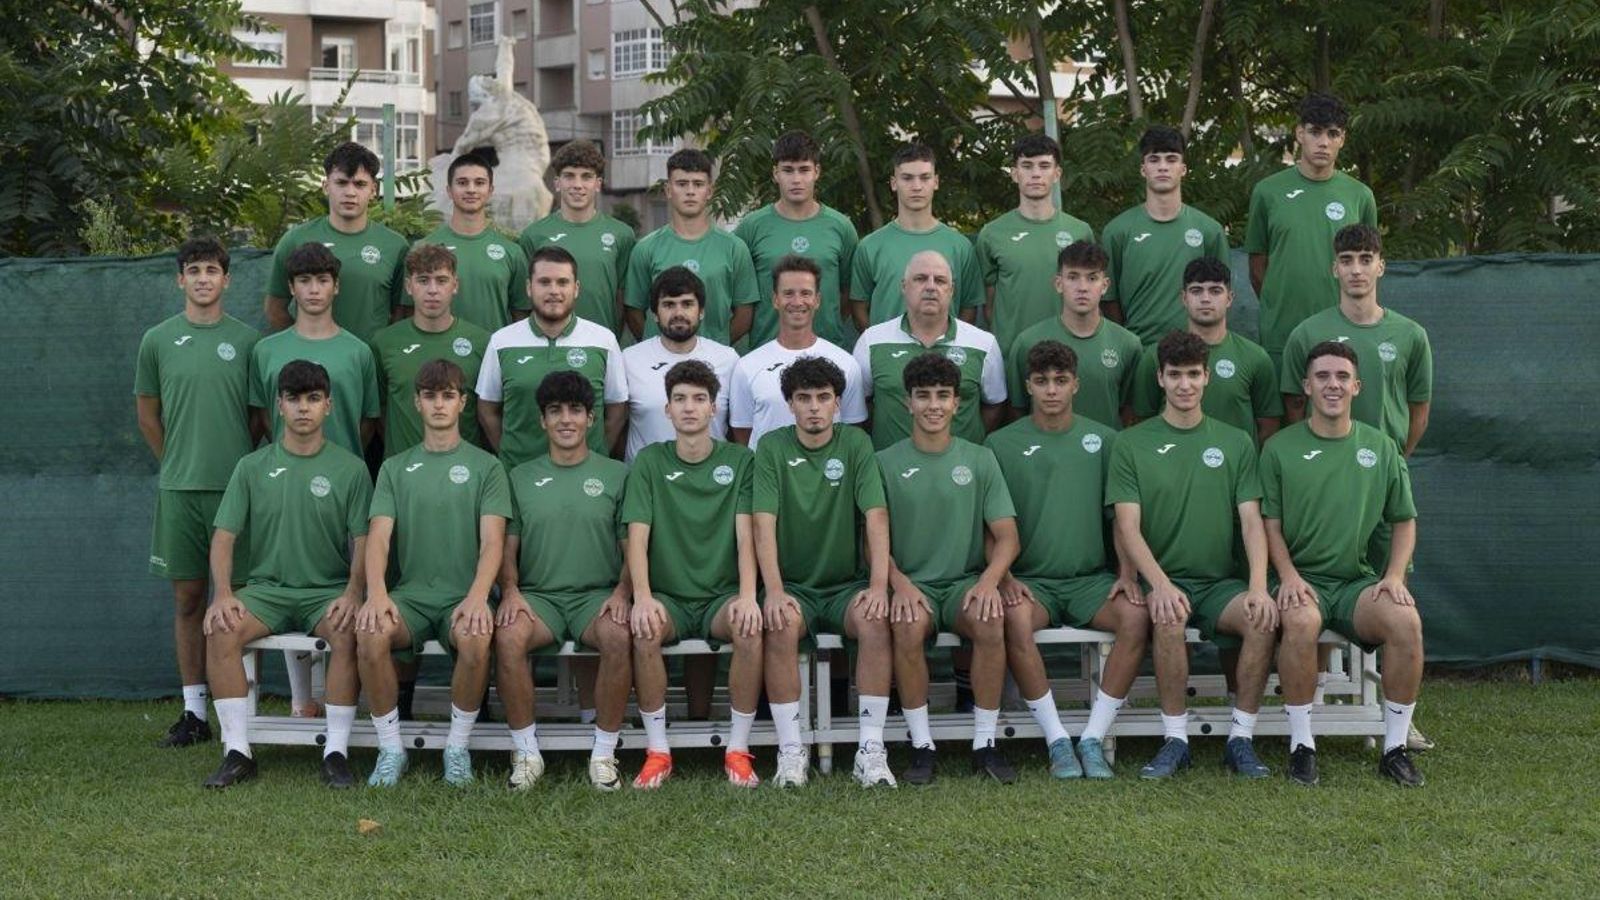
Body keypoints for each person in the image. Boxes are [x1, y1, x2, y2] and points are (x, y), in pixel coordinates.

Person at [1278, 224, 1436, 752]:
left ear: (1380, 266)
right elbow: (1292, 412)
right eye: (1347, 259)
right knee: (1313, 605)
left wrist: (1389, 460)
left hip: (1377, 479)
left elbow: (1418, 412)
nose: (1356, 269)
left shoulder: (1410, 334)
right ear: (1335, 269)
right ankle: (1314, 707)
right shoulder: (1307, 333)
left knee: (1392, 596)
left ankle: (1398, 720)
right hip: (1324, 483)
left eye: (1366, 258)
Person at [1106, 331, 1279, 780]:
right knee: (1167, 617)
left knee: (1262, 617)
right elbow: (1127, 526)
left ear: (1206, 379)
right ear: (1160, 379)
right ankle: (1175, 740)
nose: (1185, 384)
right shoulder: (1131, 444)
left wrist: (1259, 587)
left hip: (1220, 584)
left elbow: (1250, 521)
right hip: (1162, 579)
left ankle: (1241, 738)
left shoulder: (1237, 441)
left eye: (1194, 375)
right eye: (1175, 374)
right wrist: (1159, 585)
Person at [200, 360, 371, 788]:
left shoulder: (351, 468)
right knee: (221, 630)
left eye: (313, 398)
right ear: (278, 405)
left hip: (326, 591)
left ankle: (335, 753)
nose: (303, 408)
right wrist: (222, 594)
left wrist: (353, 592)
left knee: (348, 632)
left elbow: (364, 541)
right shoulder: (252, 467)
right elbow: (223, 537)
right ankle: (237, 751)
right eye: (293, 398)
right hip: (266, 592)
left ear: (328, 405)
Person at [1264, 341, 1427, 787]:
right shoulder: (1279, 448)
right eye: (1322, 377)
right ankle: (1302, 745)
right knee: (1299, 624)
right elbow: (1269, 525)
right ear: (1306, 385)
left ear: (1356, 386)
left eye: (1341, 377)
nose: (1332, 385)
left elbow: (1404, 521)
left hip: (1357, 584)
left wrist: (1393, 576)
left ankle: (1394, 748)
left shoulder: (1380, 447)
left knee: (1406, 622)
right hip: (1304, 582)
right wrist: (1289, 576)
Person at [986, 341, 1148, 779]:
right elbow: (989, 525)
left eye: (1060, 381)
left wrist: (1127, 573)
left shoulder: (1106, 439)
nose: (1052, 390)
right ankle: (1057, 739)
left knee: (1135, 618)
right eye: (1042, 382)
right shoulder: (1000, 443)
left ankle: (1092, 737)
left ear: (1076, 384)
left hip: (1091, 581)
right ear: (1028, 386)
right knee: (1014, 620)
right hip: (1031, 583)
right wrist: (1005, 578)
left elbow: (1120, 516)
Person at [356, 359, 512, 787]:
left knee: (477, 637)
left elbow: (493, 542)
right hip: (411, 596)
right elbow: (379, 538)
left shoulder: (487, 467)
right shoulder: (394, 467)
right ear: (417, 403)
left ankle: (456, 749)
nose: (439, 404)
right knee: (370, 634)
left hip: (464, 595)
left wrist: (480, 596)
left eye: (448, 395)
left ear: (463, 402)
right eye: (430, 396)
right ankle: (391, 750)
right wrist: (376, 593)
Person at [134, 236, 261, 748]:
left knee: (244, 603)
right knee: (189, 600)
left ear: (227, 279)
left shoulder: (251, 342)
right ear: (180, 279)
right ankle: (193, 713)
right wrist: (178, 464)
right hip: (180, 493)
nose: (204, 278)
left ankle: (247, 711)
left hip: (236, 496)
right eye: (194, 270)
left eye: (212, 269)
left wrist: (234, 468)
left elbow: (257, 418)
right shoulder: (157, 340)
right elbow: (147, 415)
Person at [876, 353, 1020, 784]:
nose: (933, 405)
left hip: (964, 583)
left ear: (958, 403)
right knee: (904, 625)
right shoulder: (884, 461)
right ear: (908, 403)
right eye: (924, 396)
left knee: (991, 619)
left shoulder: (979, 459)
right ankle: (922, 747)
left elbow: (1007, 536)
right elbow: (871, 541)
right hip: (911, 585)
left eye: (943, 396)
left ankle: (985, 744)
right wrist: (897, 584)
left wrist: (989, 581)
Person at [752, 356, 892, 786]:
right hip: (791, 584)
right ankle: (791, 750)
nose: (814, 407)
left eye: (823, 398)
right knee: (778, 623)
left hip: (844, 585)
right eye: (803, 398)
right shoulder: (772, 447)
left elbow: (876, 516)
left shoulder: (855, 445)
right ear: (790, 404)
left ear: (837, 404)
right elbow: (763, 523)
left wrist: (879, 585)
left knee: (874, 619)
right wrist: (773, 590)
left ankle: (870, 749)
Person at [622, 360, 762, 788]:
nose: (689, 408)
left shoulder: (740, 461)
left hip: (720, 596)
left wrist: (747, 596)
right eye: (679, 399)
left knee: (750, 629)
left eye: (699, 399)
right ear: (666, 410)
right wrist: (643, 598)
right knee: (644, 629)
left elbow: (745, 537)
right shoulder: (649, 461)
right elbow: (637, 538)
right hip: (669, 597)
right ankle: (658, 751)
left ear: (714, 408)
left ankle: (737, 751)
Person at [494, 371, 635, 791]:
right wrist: (512, 591)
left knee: (618, 635)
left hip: (598, 596)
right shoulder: (519, 476)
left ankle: (604, 753)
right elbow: (507, 546)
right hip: (539, 599)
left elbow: (632, 544)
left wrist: (623, 591)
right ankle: (526, 753)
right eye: (555, 411)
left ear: (591, 418)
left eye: (575, 410)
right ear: (542, 421)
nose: (566, 420)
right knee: (508, 636)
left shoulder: (617, 474)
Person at [1246, 92, 1379, 367]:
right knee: (1284, 409)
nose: (1323, 142)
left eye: (1332, 134)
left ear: (1342, 139)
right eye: (1315, 132)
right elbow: (1258, 265)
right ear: (1299, 134)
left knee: (1337, 409)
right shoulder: (1267, 192)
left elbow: (1367, 265)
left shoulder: (1360, 196)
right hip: (1281, 332)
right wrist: (1278, 305)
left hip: (1342, 333)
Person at [477, 246, 628, 470]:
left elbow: (617, 410)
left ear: (576, 288)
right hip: (518, 476)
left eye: (563, 282)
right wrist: (511, 456)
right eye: (544, 282)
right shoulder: (502, 341)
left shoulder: (603, 340)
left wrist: (596, 452)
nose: (554, 290)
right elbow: (487, 410)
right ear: (529, 287)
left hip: (587, 477)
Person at [854, 251, 1006, 450]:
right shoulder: (871, 341)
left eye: (940, 281)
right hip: (892, 473)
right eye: (920, 279)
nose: (931, 287)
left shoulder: (983, 343)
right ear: (903, 286)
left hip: (961, 472)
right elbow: (859, 407)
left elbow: (994, 405)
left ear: (951, 290)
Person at [264, 142, 409, 341]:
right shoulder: (295, 240)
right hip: (310, 368)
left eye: (359, 184)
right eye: (341, 182)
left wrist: (378, 354)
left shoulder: (395, 246)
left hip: (370, 367)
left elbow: (402, 314)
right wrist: (302, 347)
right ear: (326, 186)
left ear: (373, 190)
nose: (350, 192)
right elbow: (275, 310)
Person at [1101, 125, 1230, 346]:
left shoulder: (1209, 230)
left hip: (1195, 354)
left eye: (1171, 159)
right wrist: (1128, 343)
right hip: (1138, 350)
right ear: (1143, 169)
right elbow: (1108, 298)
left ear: (1183, 168)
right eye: (1154, 160)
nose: (1163, 167)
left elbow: (1221, 294)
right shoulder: (1117, 231)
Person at [250, 242, 382, 457]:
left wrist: (343, 457)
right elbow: (263, 413)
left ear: (336, 286)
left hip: (343, 475)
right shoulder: (265, 351)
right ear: (291, 287)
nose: (314, 290)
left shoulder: (359, 352)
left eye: (322, 280)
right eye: (304, 280)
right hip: (285, 474)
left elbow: (368, 421)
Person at [1130, 257, 1281, 443]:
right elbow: (1142, 420)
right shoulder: (1155, 356)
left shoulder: (1256, 357)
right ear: (1184, 298)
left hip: (1233, 468)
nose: (1206, 299)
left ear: (1230, 298)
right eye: (1196, 291)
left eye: (1215, 291)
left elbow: (1268, 425)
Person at [733, 130, 859, 347]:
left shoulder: (841, 227)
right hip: (766, 349)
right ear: (775, 174)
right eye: (788, 170)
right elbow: (738, 294)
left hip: (828, 349)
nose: (796, 179)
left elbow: (849, 291)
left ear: (817, 171)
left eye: (804, 170)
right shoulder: (751, 227)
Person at [975, 133, 1096, 355]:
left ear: (1057, 173)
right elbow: (989, 306)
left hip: (1068, 355)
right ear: (1014, 173)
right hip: (1012, 355)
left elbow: (1091, 300)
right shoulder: (991, 234)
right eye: (1027, 166)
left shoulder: (1080, 231)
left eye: (1044, 166)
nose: (1036, 174)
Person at [730, 254, 867, 450]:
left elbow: (853, 429)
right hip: (769, 477)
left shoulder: (846, 363)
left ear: (817, 300)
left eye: (805, 293)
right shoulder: (747, 366)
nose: (797, 301)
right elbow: (743, 433)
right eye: (788, 293)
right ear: (775, 300)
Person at [623, 149, 759, 344]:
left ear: (710, 191)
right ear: (669, 190)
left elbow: (745, 313)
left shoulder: (734, 248)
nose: (690, 191)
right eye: (681, 184)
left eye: (698, 184)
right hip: (660, 365)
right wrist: (661, 347)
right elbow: (634, 311)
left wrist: (715, 350)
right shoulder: (646, 248)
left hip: (715, 366)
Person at [371, 244, 492, 456]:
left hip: (464, 472)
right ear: (409, 286)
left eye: (442, 280)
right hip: (403, 471)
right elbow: (378, 410)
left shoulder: (482, 342)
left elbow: (488, 412)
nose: (433, 290)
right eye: (423, 280)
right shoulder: (384, 342)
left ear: (455, 285)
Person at [850, 143, 984, 329]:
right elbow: (858, 308)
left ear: (935, 182)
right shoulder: (870, 246)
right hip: (889, 355)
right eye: (907, 178)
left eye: (924, 177)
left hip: (942, 356)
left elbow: (969, 308)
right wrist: (880, 347)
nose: (916, 186)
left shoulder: (960, 246)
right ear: (894, 183)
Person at [1008, 242, 1142, 429]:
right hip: (1044, 453)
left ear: (1104, 286)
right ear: (1058, 284)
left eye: (1092, 278)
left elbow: (1129, 409)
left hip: (1105, 454)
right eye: (1073, 277)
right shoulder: (1027, 342)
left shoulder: (1128, 344)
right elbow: (1017, 409)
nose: (1082, 287)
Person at [621, 266, 739, 461]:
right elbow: (617, 424)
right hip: (648, 482)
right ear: (655, 314)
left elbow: (737, 428)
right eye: (668, 305)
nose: (678, 313)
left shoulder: (728, 359)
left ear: (701, 311)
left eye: (687, 304)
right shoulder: (629, 359)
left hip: (711, 482)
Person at [519, 140, 637, 335]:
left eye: (586, 177)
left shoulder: (622, 235)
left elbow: (623, 298)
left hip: (600, 344)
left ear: (598, 184)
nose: (577, 185)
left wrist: (613, 338)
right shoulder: (533, 235)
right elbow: (524, 302)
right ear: (557, 182)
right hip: (548, 345)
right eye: (569, 176)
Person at [413, 152, 531, 331]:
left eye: (479, 183)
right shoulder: (423, 248)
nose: (471, 189)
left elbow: (521, 318)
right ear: (449, 191)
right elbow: (407, 314)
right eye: (462, 183)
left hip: (492, 355)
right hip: (437, 356)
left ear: (490, 190)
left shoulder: (512, 252)